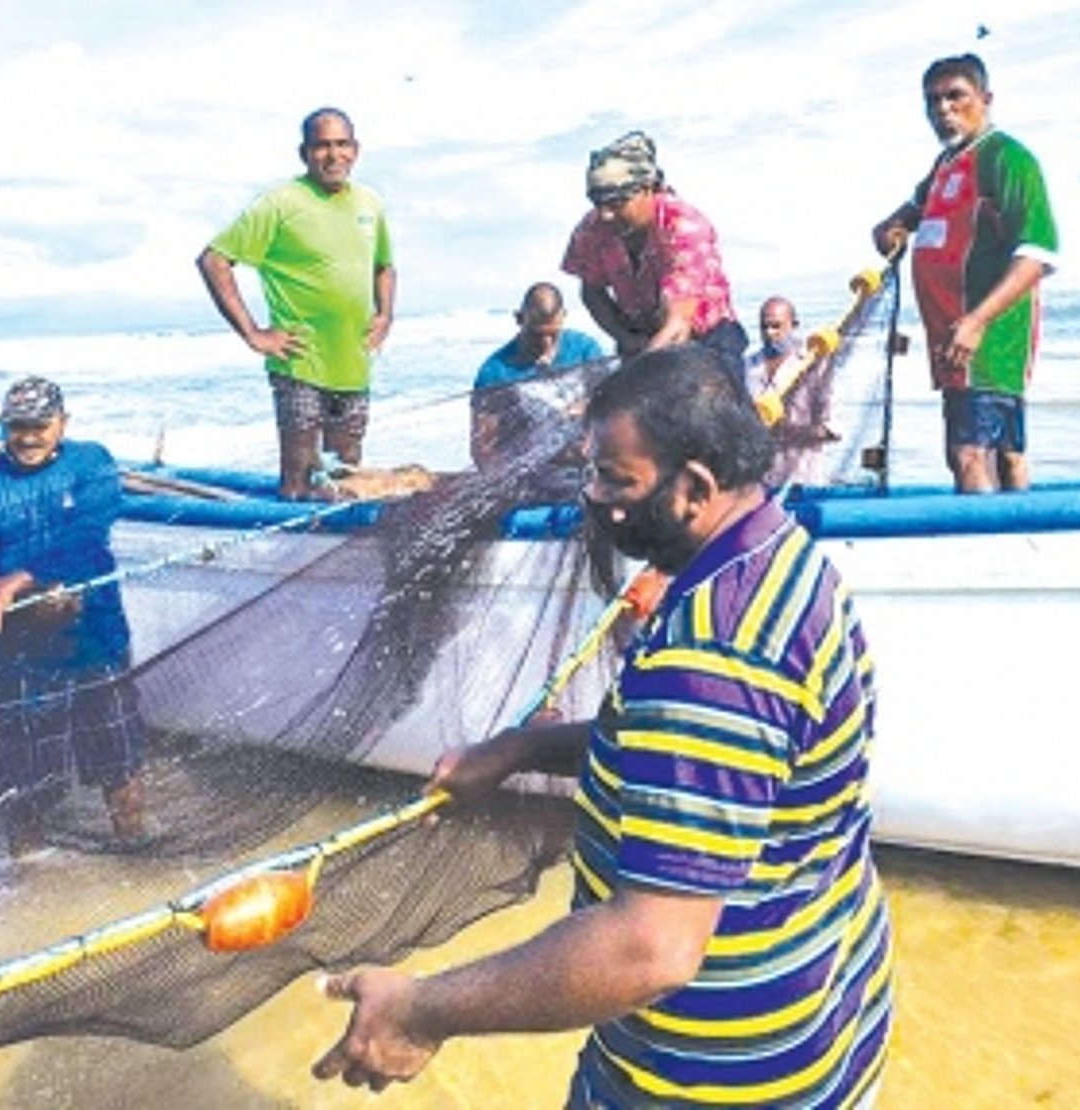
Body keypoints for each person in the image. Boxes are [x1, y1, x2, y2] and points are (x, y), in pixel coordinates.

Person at [311, 345, 894, 1107]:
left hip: (716, 1076)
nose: (594, 499)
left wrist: (422, 1011)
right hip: (832, 1005)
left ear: (693, 488)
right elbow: (698, 761)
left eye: (616, 480)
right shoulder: (783, 560)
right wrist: (521, 749)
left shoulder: (712, 655)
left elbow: (649, 949)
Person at [0, 377, 147, 856]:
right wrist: (0, 594)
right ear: (4, 426)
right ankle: (28, 877)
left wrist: (9, 584)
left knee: (120, 762)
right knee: (23, 781)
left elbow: (87, 539)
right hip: (21, 655)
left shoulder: (91, 462)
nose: (28, 436)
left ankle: (135, 856)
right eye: (17, 426)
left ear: (63, 423)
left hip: (96, 639)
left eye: (40, 424)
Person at [872, 53, 1058, 493]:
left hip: (984, 338)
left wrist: (976, 322)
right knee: (1007, 454)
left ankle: (993, 555)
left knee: (968, 454)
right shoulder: (946, 165)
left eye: (956, 96)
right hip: (952, 341)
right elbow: (907, 215)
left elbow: (1038, 255)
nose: (943, 109)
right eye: (932, 101)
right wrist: (888, 230)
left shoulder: (1007, 158)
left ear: (986, 98)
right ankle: (1025, 544)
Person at [197, 106, 396, 500]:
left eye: (341, 144)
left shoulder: (370, 203)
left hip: (353, 365)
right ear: (304, 152)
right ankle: (287, 552)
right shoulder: (280, 203)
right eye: (322, 146)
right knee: (300, 482)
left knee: (345, 479)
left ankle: (332, 559)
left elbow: (384, 266)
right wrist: (253, 333)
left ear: (355, 150)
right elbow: (213, 260)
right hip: (299, 363)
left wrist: (385, 314)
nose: (333, 154)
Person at [561, 131, 749, 378]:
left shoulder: (685, 225)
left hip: (707, 338)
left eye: (617, 203)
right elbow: (591, 291)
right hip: (641, 336)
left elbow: (678, 326)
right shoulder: (592, 229)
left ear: (647, 189)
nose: (606, 214)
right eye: (597, 203)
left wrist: (638, 374)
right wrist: (624, 336)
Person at [470, 281, 605, 471]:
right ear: (519, 319)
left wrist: (586, 407)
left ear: (563, 317)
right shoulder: (494, 372)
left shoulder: (586, 351)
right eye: (536, 335)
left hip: (585, 467)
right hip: (529, 472)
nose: (546, 344)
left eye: (553, 334)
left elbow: (611, 407)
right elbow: (483, 451)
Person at [745, 295, 838, 486]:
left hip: (801, 482)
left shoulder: (814, 365)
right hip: (759, 483)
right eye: (764, 327)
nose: (769, 333)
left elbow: (832, 431)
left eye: (776, 326)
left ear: (794, 325)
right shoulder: (747, 367)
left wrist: (783, 431)